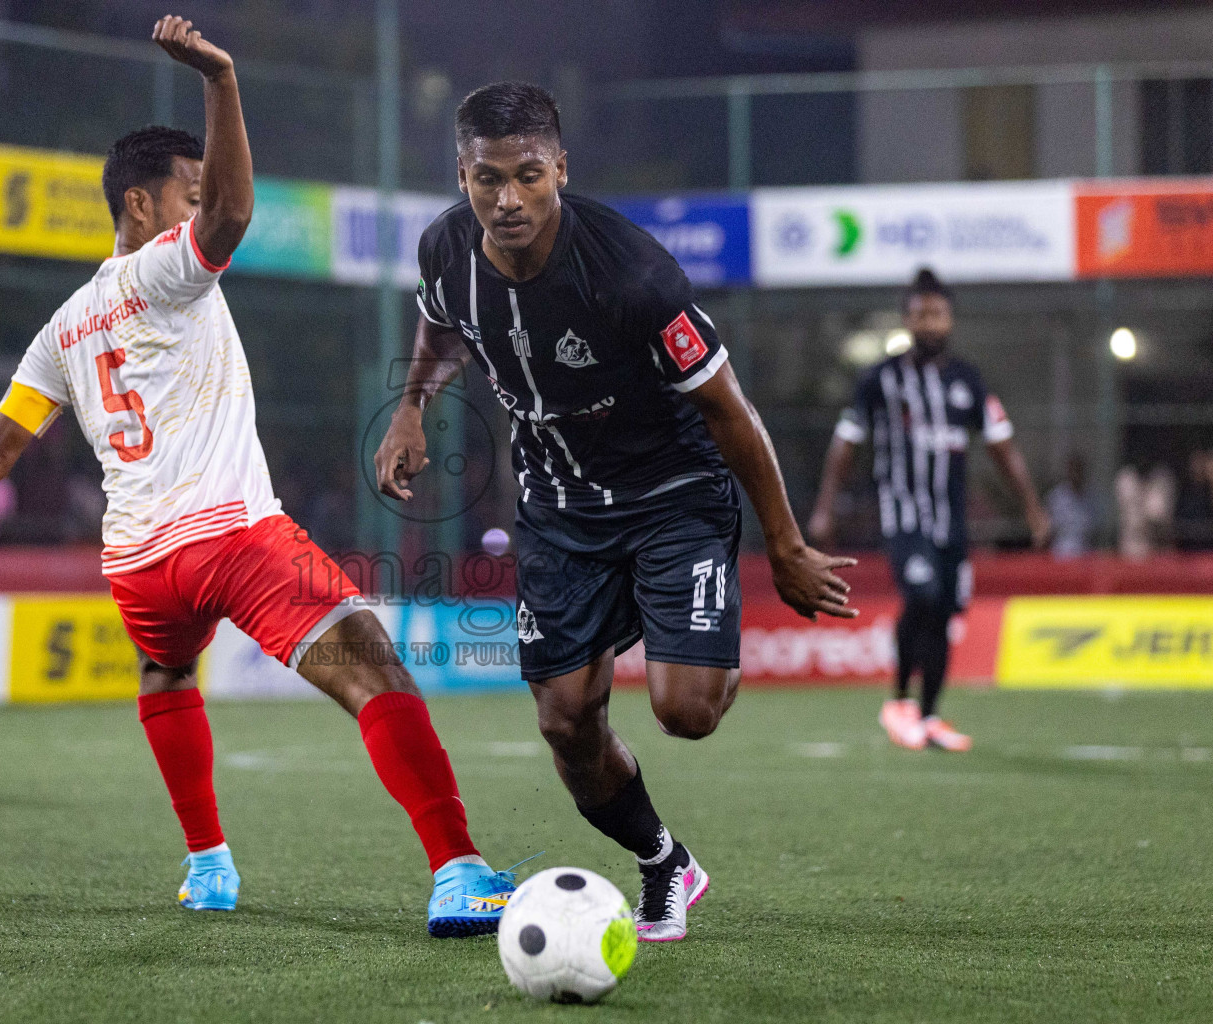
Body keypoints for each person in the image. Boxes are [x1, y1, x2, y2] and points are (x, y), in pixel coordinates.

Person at [0, 15, 518, 939]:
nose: (203, 205)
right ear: (142, 208)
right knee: (375, 670)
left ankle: (207, 865)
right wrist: (221, 79)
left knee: (164, 675)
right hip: (229, 536)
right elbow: (231, 217)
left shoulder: (63, 326)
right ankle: (458, 872)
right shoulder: (164, 272)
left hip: (139, 564)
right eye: (187, 192)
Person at [374, 82, 857, 943]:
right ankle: (666, 862)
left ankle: (688, 627)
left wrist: (785, 544)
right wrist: (413, 405)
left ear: (561, 166)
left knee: (686, 712)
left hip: (672, 492)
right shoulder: (446, 249)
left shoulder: (633, 273)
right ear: (462, 174)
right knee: (565, 720)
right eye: (488, 179)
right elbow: (440, 327)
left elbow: (730, 412)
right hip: (558, 509)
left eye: (529, 175)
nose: (508, 198)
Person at [809, 268, 1049, 753]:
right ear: (907, 320)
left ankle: (930, 714)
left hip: (952, 520)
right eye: (921, 314)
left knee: (942, 612)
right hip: (903, 513)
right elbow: (846, 442)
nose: (930, 323)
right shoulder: (880, 378)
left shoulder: (968, 380)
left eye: (938, 314)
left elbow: (1002, 446)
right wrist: (825, 508)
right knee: (921, 595)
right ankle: (898, 701)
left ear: (951, 321)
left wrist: (1032, 508)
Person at [1046, 453, 1093, 560]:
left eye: (1079, 470)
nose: (1076, 474)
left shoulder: (1092, 498)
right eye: (1074, 470)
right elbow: (1049, 532)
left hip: (1085, 556)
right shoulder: (1056, 497)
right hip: (1061, 555)